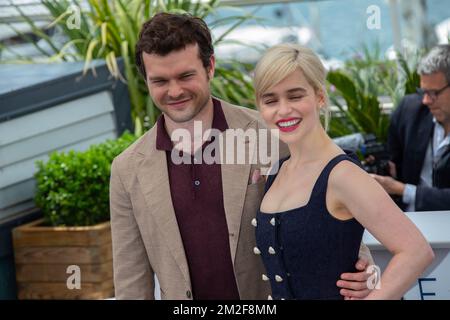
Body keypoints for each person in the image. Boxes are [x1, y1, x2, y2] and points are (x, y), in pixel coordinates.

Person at [110, 12, 374, 300]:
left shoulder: (272, 136)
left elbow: (331, 205)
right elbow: (131, 281)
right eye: (160, 81)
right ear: (145, 80)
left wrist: (365, 270)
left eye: (186, 76)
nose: (175, 91)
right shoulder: (127, 169)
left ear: (210, 67)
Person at [253, 43, 434, 300]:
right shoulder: (277, 171)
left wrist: (375, 290)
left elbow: (416, 251)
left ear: (319, 96)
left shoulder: (343, 175)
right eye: (270, 100)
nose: (283, 110)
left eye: (295, 96)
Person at [372, 45, 450, 211]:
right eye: (424, 92)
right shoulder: (409, 111)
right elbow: (391, 159)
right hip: (408, 221)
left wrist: (402, 190)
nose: (426, 100)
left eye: (433, 93)